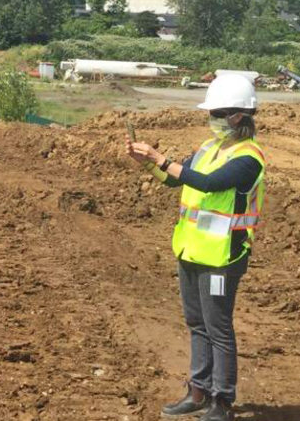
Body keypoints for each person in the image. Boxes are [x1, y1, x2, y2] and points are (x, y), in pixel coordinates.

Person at [125, 74, 267, 421]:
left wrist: (159, 157)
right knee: (196, 323)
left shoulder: (249, 158)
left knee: (218, 327)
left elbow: (207, 184)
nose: (213, 119)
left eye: (218, 113)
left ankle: (222, 401)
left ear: (238, 116)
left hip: (222, 256)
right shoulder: (208, 149)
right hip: (191, 250)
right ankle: (199, 391)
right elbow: (177, 178)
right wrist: (151, 165)